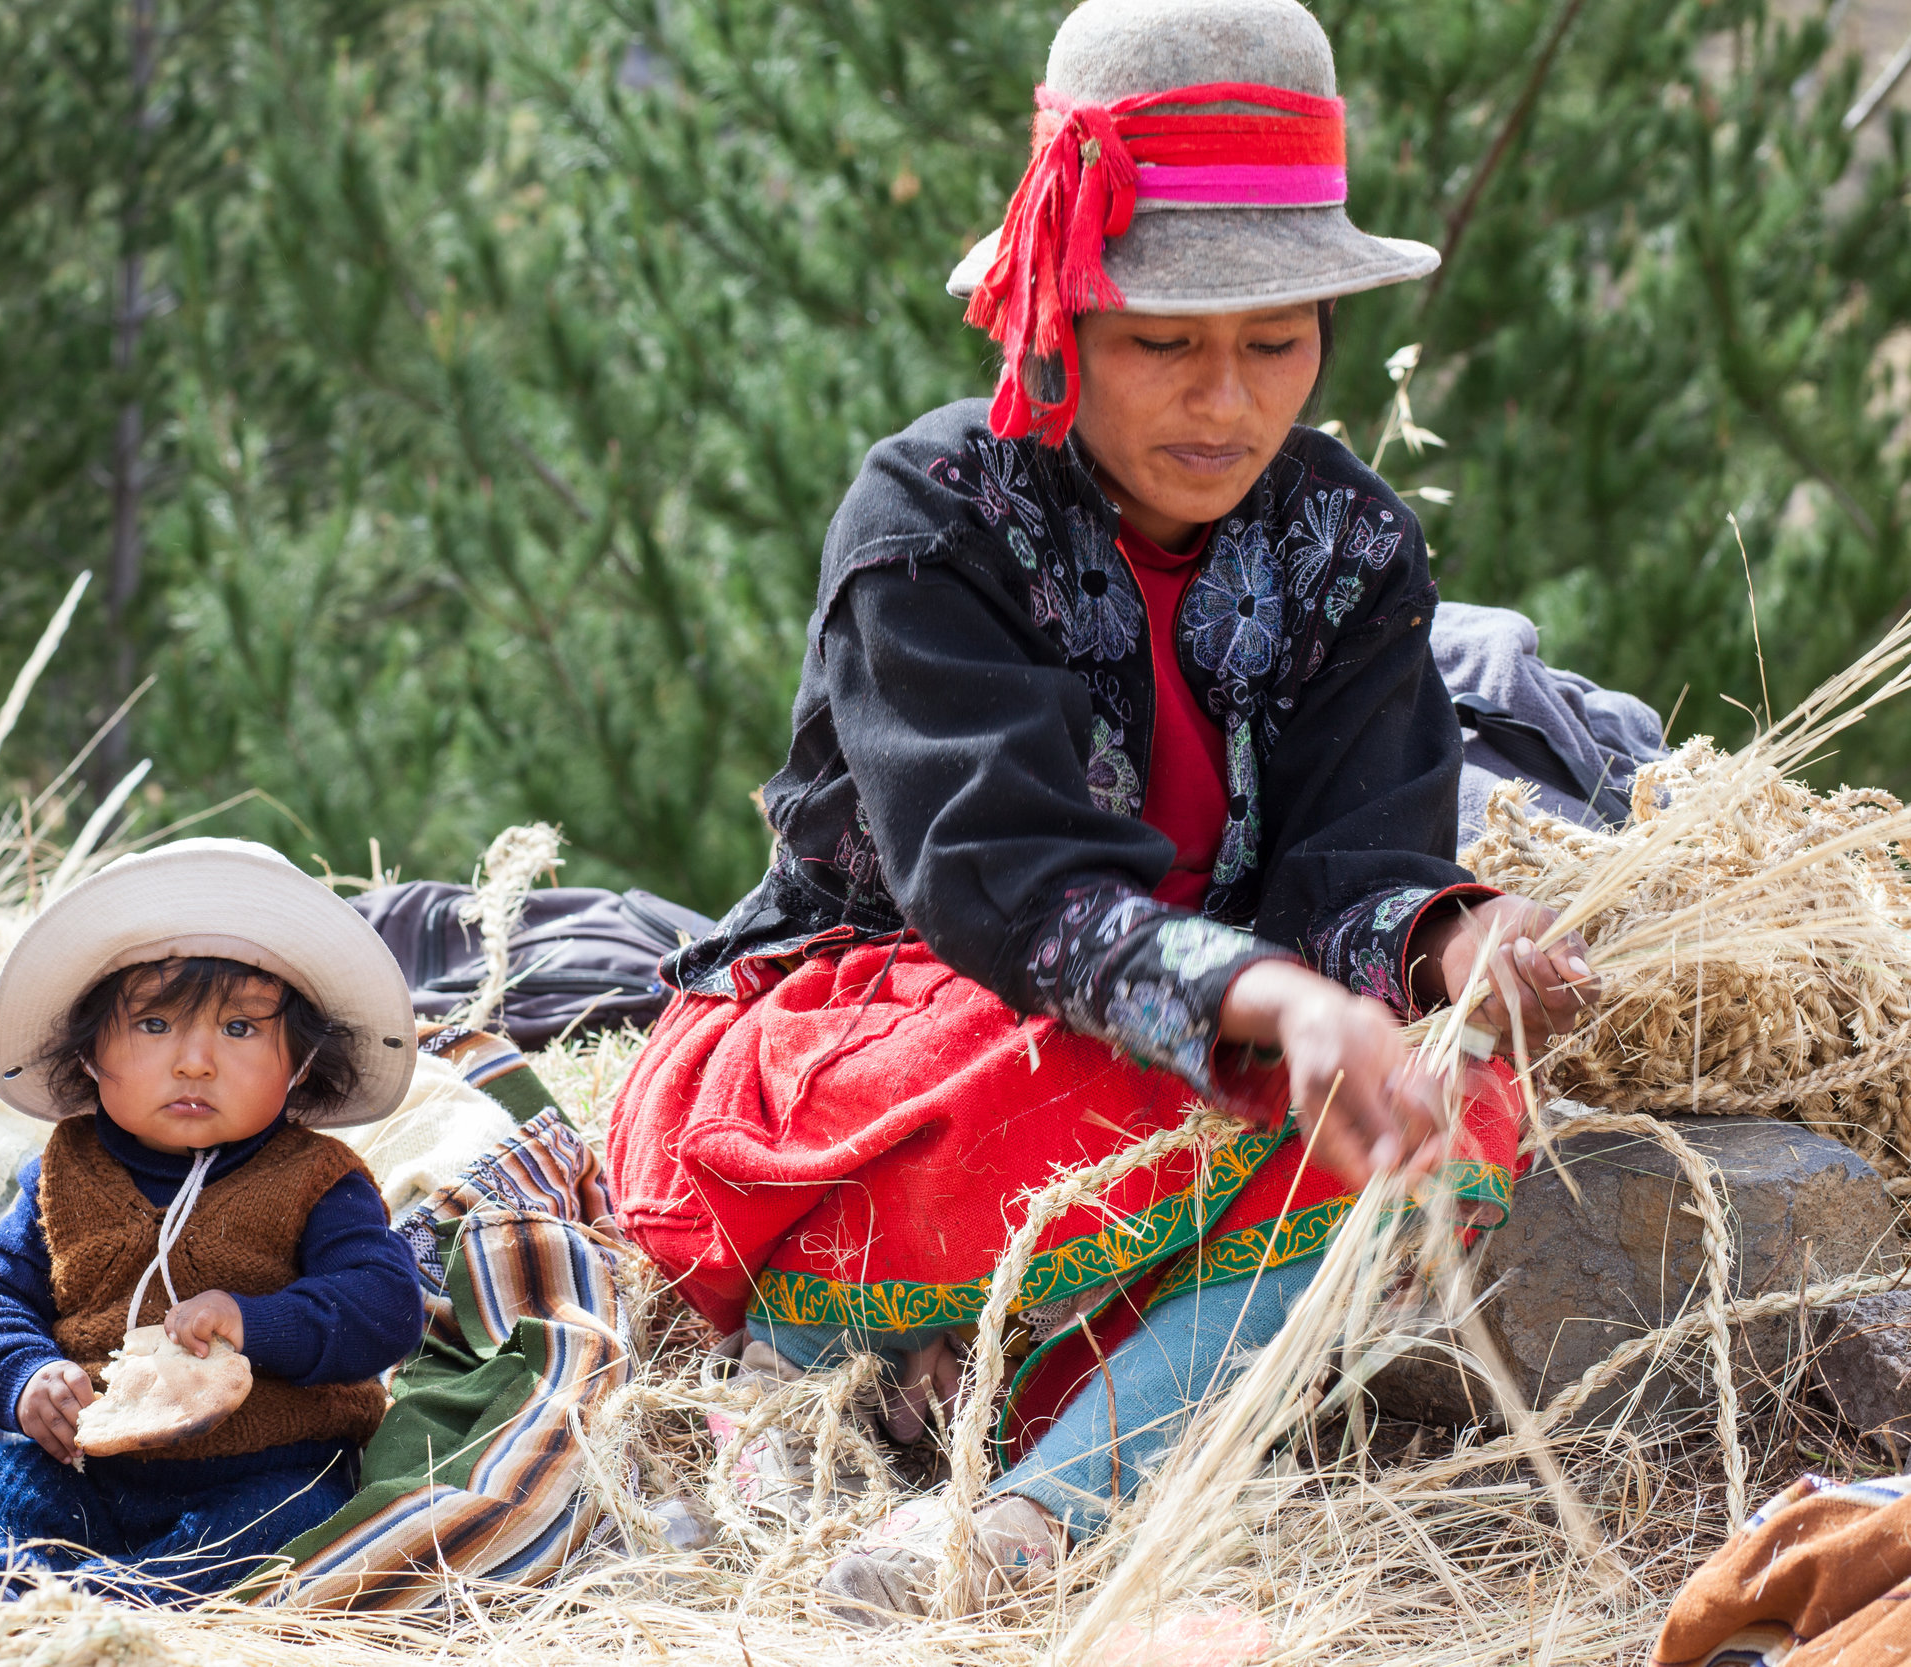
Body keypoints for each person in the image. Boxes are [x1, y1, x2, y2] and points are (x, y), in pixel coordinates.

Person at [602, 0, 1603, 1623]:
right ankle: (821, 1365)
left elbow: (1361, 856)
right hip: (881, 1050)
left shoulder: (1350, 546)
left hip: (1178, 1047)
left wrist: (1443, 938)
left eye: (1275, 342)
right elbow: (1002, 884)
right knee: (1129, 1058)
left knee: (1450, 1104)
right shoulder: (934, 517)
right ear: (1060, 311)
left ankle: (1021, 1524)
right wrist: (1270, 996)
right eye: (1165, 342)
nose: (1226, 400)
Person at [0, 838, 426, 1605]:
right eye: (153, 1024)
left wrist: (256, 1320)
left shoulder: (319, 1178)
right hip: (91, 1468)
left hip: (265, 1463)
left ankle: (123, 1601)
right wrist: (24, 1378)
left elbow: (386, 1306)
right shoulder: (61, 1168)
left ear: (301, 1064)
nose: (195, 1061)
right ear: (87, 1052)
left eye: (240, 1030)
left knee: (296, 1519)